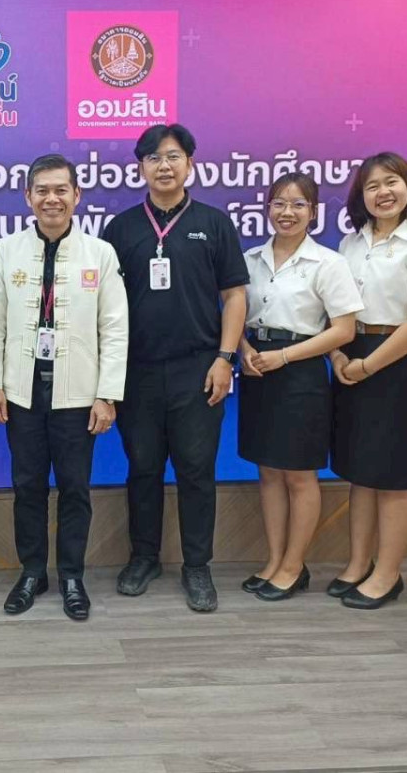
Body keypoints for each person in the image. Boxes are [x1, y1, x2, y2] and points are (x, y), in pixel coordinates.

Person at [103, 124, 248, 611]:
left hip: (199, 368)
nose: (163, 166)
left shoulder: (215, 223)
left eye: (172, 156)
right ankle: (143, 557)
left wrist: (225, 359)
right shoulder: (120, 229)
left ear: (190, 164)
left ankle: (197, 566)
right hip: (137, 371)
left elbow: (234, 296)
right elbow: (105, 305)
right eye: (153, 158)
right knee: (142, 467)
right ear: (140, 167)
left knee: (196, 470)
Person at [0, 154, 128, 621]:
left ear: (77, 195)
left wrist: (106, 395)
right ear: (28, 196)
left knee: (75, 488)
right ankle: (32, 572)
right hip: (21, 393)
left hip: (77, 395)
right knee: (27, 487)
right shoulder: (6, 251)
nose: (52, 199)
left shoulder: (99, 254)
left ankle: (72, 576)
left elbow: (115, 329)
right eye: (42, 190)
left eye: (61, 189)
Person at [327, 153, 407, 609]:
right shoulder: (349, 244)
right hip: (349, 352)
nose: (383, 192)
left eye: (391, 182)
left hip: (394, 360)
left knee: (393, 476)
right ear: (360, 196)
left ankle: (388, 573)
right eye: (372, 186)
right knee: (360, 471)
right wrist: (338, 355)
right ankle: (358, 564)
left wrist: (368, 366)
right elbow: (334, 309)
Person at [239, 172, 361, 601]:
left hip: (300, 372)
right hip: (257, 369)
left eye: (297, 204)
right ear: (266, 208)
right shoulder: (250, 258)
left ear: (314, 212)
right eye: (278, 203)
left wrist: (286, 356)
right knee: (269, 471)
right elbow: (234, 312)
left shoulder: (328, 263)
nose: (286, 212)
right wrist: (242, 349)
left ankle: (294, 566)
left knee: (299, 474)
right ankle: (274, 560)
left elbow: (343, 330)